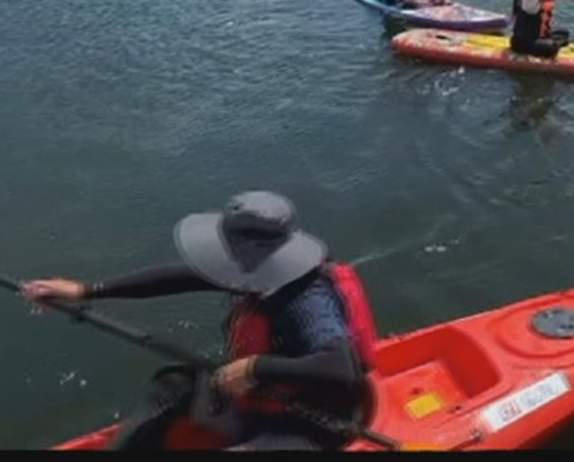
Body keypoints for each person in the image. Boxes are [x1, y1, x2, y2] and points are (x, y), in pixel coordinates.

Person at [19, 191, 379, 451]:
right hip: (259, 399)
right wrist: (87, 290)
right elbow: (182, 277)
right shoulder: (258, 270)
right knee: (172, 386)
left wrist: (255, 367)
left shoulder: (305, 298)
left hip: (308, 423)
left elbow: (340, 365)